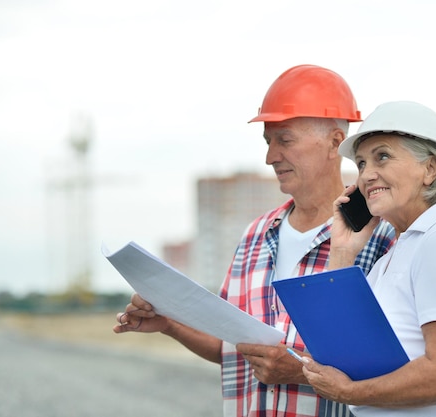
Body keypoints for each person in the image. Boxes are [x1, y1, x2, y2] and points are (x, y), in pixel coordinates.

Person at [113, 65, 396, 417]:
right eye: (268, 142)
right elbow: (229, 346)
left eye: (284, 139)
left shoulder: (381, 236)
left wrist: (298, 372)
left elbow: (399, 371)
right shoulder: (255, 236)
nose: (270, 156)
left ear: (335, 143)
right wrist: (170, 323)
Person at [299, 101, 436, 417]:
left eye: (383, 157)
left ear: (430, 170)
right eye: (362, 164)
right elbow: (339, 347)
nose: (367, 175)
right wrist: (342, 251)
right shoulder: (396, 253)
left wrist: (349, 392)